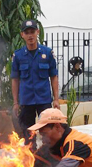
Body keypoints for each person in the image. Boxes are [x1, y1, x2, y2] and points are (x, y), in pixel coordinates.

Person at [11, 19, 60, 150]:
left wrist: (56, 99)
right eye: (27, 33)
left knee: (48, 133)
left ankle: (48, 162)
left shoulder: (47, 53)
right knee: (28, 135)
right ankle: (31, 163)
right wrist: (16, 102)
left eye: (32, 31)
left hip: (44, 100)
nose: (30, 35)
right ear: (22, 35)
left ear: (37, 32)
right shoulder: (18, 55)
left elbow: (53, 76)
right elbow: (15, 79)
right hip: (26, 101)